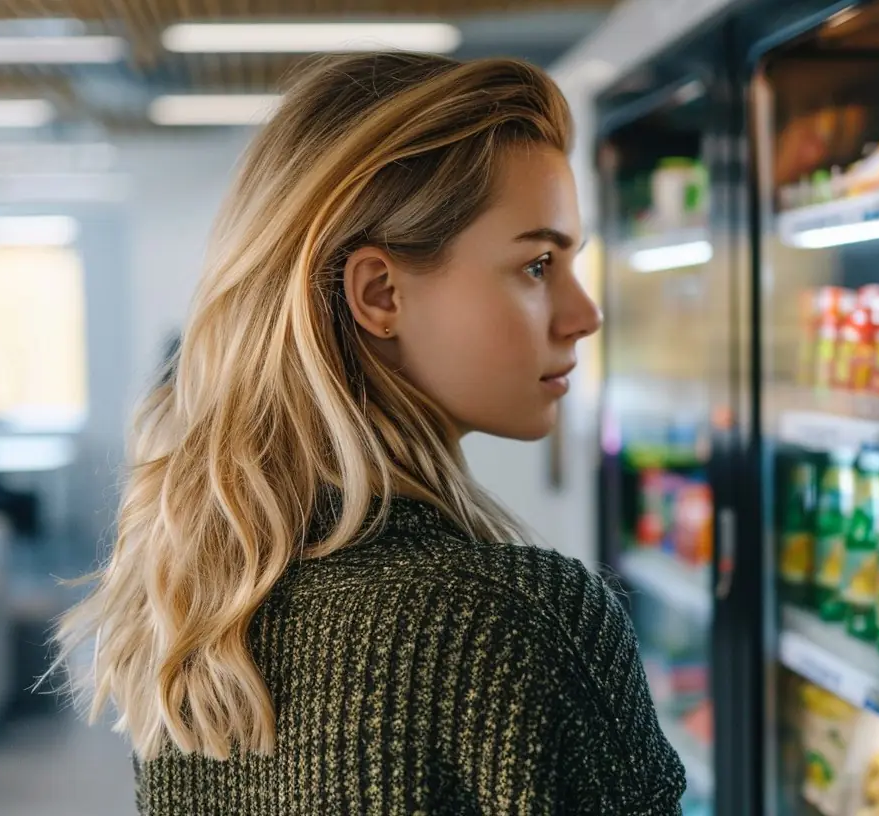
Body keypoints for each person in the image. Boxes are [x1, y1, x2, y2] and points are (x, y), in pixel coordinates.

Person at [52, 52, 686, 814]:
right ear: (380, 294)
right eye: (538, 264)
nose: (585, 315)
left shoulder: (199, 607)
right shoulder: (520, 622)